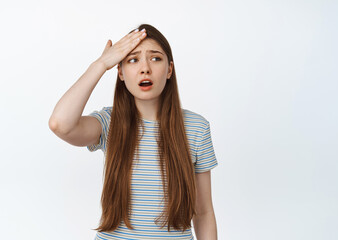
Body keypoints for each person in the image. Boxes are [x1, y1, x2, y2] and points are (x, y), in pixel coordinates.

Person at [48, 23, 218, 240]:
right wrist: (101, 64)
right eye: (133, 59)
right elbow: (60, 124)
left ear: (169, 70)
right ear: (120, 72)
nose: (145, 68)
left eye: (155, 58)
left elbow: (203, 212)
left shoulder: (196, 128)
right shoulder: (109, 122)